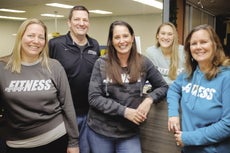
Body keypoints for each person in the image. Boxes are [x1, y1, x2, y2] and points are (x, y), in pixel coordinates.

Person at [87, 20, 168, 153]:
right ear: (112, 41)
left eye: (125, 36)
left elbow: (163, 86)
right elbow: (94, 98)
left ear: (132, 38)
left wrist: (149, 99)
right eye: (117, 37)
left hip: (128, 132)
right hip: (101, 131)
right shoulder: (101, 64)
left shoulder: (143, 62)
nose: (122, 41)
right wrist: (125, 111)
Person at [0, 18, 79, 153]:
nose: (36, 41)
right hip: (18, 144)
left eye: (41, 37)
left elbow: (68, 106)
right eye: (30, 35)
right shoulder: (3, 68)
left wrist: (74, 142)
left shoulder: (54, 66)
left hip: (56, 139)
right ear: (20, 37)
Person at [167, 24, 230, 153]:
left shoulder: (226, 77)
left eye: (204, 42)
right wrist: (173, 114)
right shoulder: (188, 74)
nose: (198, 47)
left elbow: (227, 124)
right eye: (193, 43)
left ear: (215, 45)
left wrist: (189, 137)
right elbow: (173, 90)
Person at [48, 5, 100, 153]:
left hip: (89, 112)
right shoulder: (55, 44)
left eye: (85, 20)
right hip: (62, 114)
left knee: (83, 149)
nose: (81, 23)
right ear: (69, 22)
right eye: (77, 19)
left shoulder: (94, 44)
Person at [140, 22, 184, 153]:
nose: (166, 37)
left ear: (174, 36)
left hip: (180, 98)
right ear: (157, 36)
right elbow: (147, 77)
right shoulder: (150, 52)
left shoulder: (183, 52)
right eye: (163, 33)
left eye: (170, 34)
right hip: (160, 99)